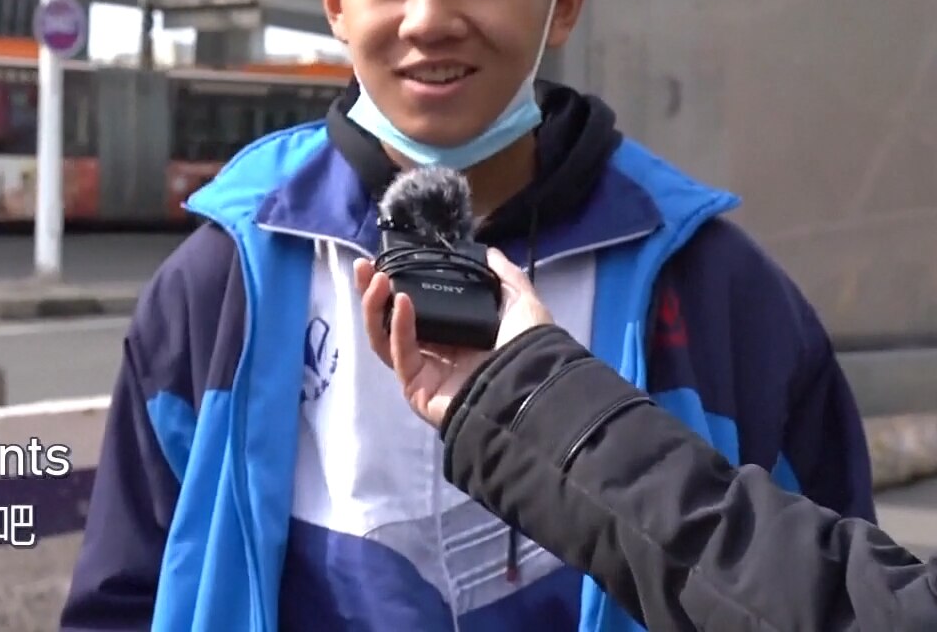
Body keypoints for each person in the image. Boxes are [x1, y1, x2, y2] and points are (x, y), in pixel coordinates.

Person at [61, 0, 872, 632]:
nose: (430, 20)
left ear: (562, 4)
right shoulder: (221, 281)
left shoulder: (716, 289)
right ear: (336, 2)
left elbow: (820, 583)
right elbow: (125, 594)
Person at [355, 247, 937, 631]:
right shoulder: (262, 239)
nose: (430, 48)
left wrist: (527, 399)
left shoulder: (720, 272)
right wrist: (525, 400)